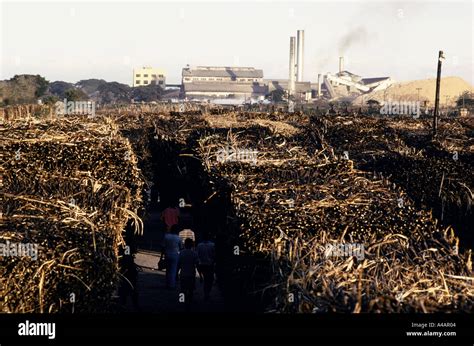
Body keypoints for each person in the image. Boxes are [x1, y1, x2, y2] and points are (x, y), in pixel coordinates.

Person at [178, 238, 199, 309]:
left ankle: (182, 301)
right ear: (192, 245)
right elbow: (197, 265)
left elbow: (178, 264)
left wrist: (176, 273)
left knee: (182, 289)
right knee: (191, 290)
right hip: (191, 274)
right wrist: (201, 275)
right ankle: (189, 302)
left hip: (183, 273)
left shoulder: (181, 253)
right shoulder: (194, 254)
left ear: (185, 244)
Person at [196, 232, 216, 301]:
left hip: (202, 264)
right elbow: (214, 255)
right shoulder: (213, 245)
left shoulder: (199, 245)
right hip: (210, 264)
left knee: (206, 280)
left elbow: (197, 256)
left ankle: (206, 293)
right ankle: (207, 293)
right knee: (209, 280)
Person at [162, 224, 181, 289]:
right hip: (175, 255)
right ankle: (172, 285)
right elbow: (180, 247)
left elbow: (163, 247)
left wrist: (162, 256)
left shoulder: (166, 236)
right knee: (173, 270)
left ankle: (167, 283)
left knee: (168, 270)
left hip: (167, 254)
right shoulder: (178, 238)